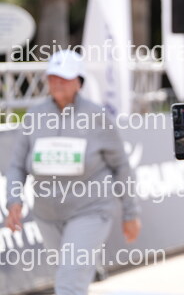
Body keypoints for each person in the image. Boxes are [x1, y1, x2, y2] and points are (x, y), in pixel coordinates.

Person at [5, 50, 141, 295]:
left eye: (64, 78)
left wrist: (130, 212)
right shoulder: (35, 116)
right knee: (70, 276)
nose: (57, 83)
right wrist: (14, 199)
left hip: (90, 210)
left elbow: (121, 165)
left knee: (68, 284)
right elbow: (17, 165)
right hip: (47, 215)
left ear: (79, 82)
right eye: (52, 77)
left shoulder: (97, 117)